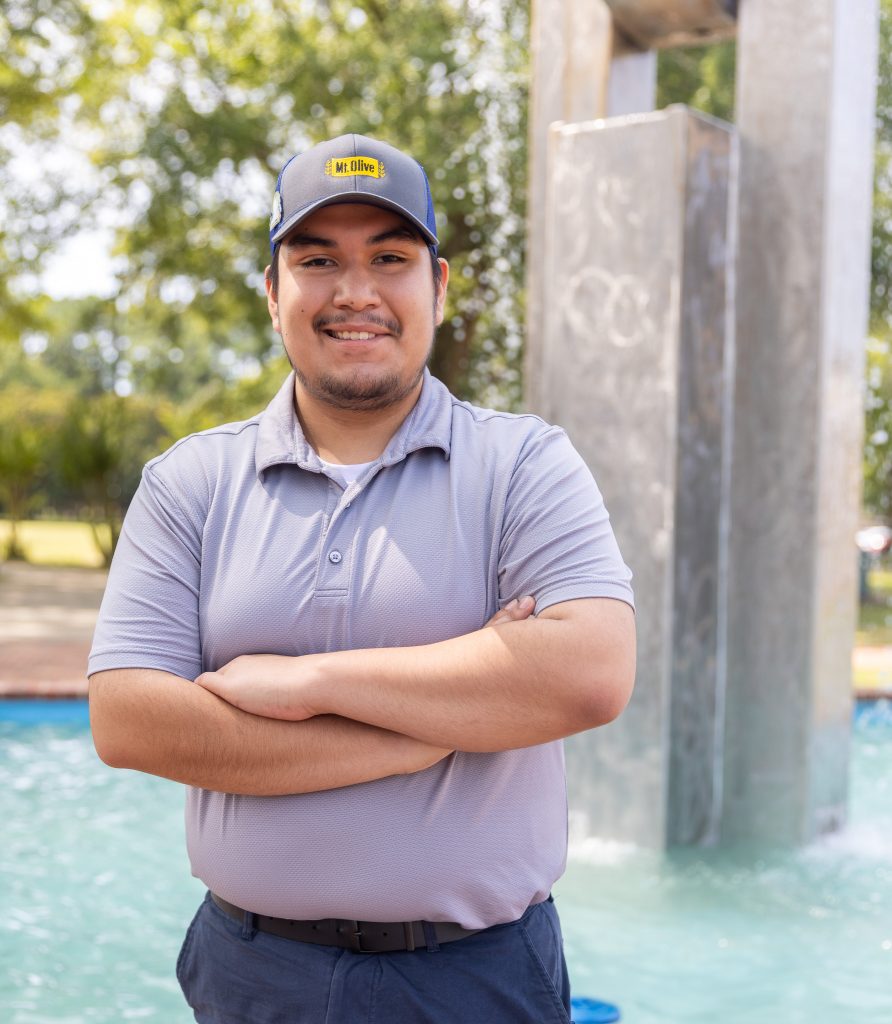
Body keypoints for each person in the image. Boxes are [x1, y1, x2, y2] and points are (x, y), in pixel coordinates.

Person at [88, 133, 636, 1024]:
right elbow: (127, 719)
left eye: (390, 257)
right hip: (251, 974)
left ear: (440, 288)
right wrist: (431, 732)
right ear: (273, 294)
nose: (356, 291)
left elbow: (589, 674)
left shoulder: (527, 463)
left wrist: (303, 684)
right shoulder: (190, 482)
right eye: (317, 260)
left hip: (476, 979)